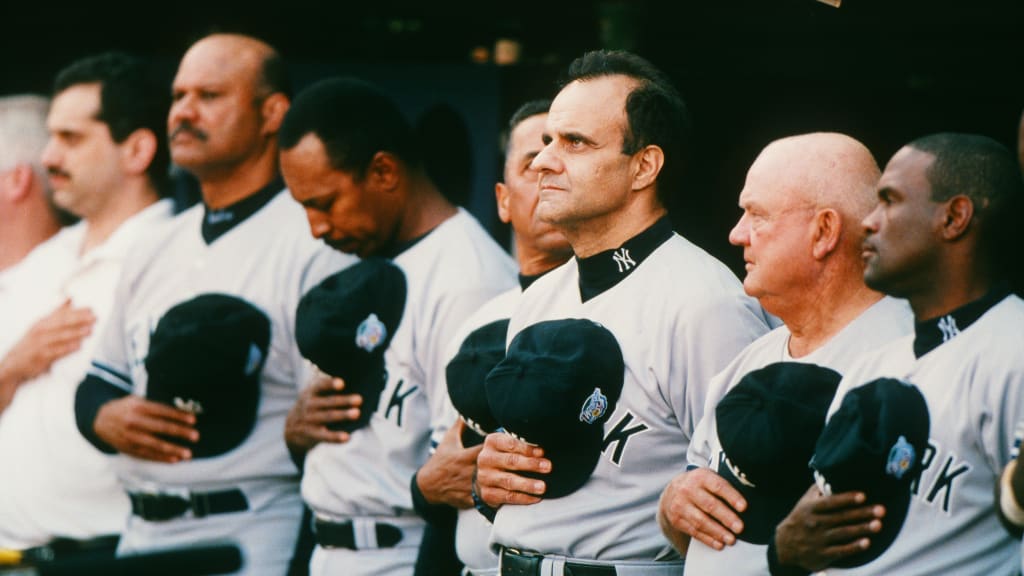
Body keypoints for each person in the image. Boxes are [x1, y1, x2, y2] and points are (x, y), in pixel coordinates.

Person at [473, 49, 771, 574]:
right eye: (547, 143)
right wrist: (489, 481)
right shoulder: (539, 298)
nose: (544, 161)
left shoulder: (707, 303)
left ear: (644, 166)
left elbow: (748, 498)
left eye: (575, 143)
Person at [72, 34, 350, 576]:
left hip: (251, 532)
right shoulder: (156, 242)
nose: (183, 112)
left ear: (273, 113)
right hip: (139, 535)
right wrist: (106, 416)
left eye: (209, 95)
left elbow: (328, 426)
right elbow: (97, 384)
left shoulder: (315, 238)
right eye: (178, 96)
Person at [278, 76, 517, 576]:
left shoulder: (468, 280)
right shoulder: (355, 257)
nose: (315, 228)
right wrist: (298, 433)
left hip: (406, 555)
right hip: (327, 548)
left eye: (323, 203)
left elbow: (460, 476)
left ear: (384, 170)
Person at [654, 132, 913, 574]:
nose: (737, 235)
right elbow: (702, 523)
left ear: (824, 231)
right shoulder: (751, 360)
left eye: (757, 215)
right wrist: (672, 505)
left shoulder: (910, 362)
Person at [770, 132, 1024, 575]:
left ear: (954, 217)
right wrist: (783, 552)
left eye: (889, 200)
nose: (868, 222)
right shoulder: (874, 365)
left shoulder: (1013, 350)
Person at [0, 52, 175, 554]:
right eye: (50, 137)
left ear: (137, 150)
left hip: (113, 552)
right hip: (17, 556)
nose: (48, 157)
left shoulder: (175, 258)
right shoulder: (38, 263)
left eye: (71, 139)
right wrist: (13, 367)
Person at [409, 99, 573, 576]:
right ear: (502, 199)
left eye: (568, 155)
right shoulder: (478, 324)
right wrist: (425, 488)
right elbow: (447, 482)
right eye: (532, 162)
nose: (549, 172)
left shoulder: (641, 306)